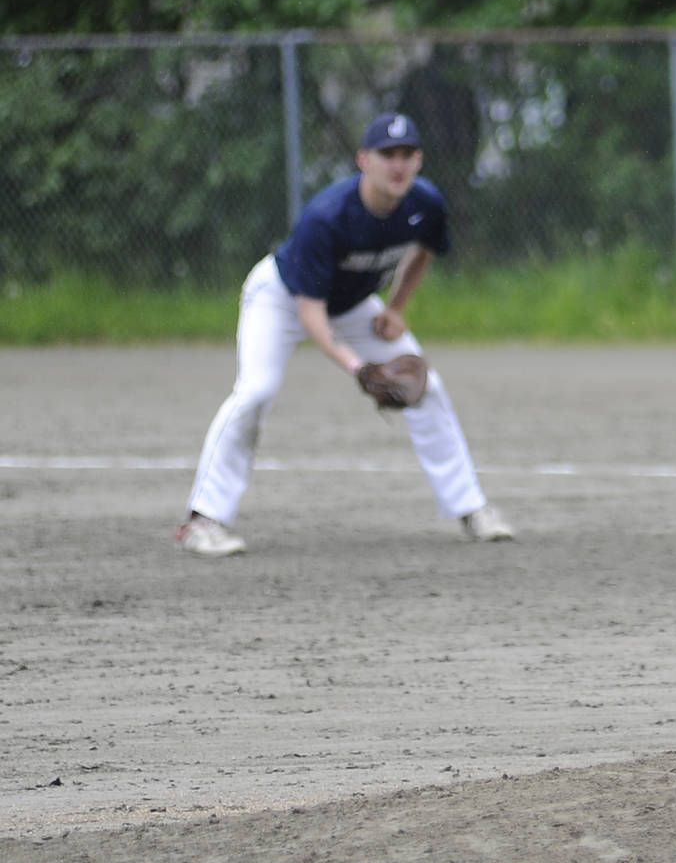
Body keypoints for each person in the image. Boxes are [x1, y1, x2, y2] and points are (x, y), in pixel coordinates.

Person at [173, 112, 514, 557]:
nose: (397, 164)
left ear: (419, 160)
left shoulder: (425, 202)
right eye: (386, 154)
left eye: (407, 154)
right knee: (256, 391)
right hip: (281, 297)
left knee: (427, 387)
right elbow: (311, 315)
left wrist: (395, 308)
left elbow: (425, 250)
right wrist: (358, 366)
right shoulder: (327, 216)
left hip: (353, 305)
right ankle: (202, 521)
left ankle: (473, 509)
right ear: (363, 160)